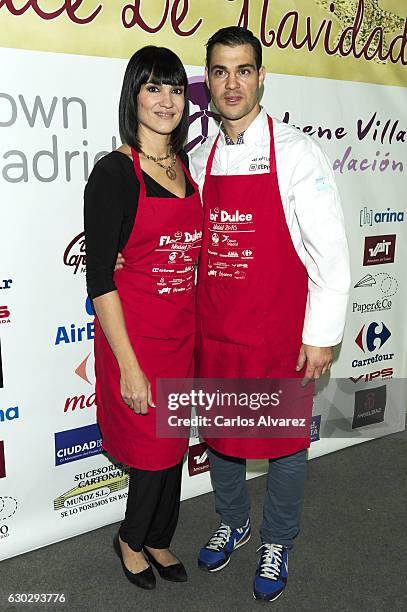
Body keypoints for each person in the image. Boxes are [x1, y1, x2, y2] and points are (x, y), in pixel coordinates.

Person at [189, 27, 351, 602]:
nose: (232, 83)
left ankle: (277, 539)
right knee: (223, 440)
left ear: (261, 77)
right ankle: (234, 522)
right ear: (207, 83)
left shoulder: (299, 152)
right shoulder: (198, 158)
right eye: (220, 72)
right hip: (218, 333)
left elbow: (331, 251)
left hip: (281, 333)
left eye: (243, 70)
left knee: (284, 447)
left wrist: (322, 336)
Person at [84, 46, 203, 590]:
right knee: (153, 454)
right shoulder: (113, 173)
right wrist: (129, 367)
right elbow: (100, 279)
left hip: (183, 335)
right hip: (134, 340)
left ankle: (160, 536)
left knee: (173, 446)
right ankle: (131, 539)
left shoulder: (186, 169)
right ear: (133, 95)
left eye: (176, 89)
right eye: (154, 87)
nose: (166, 100)